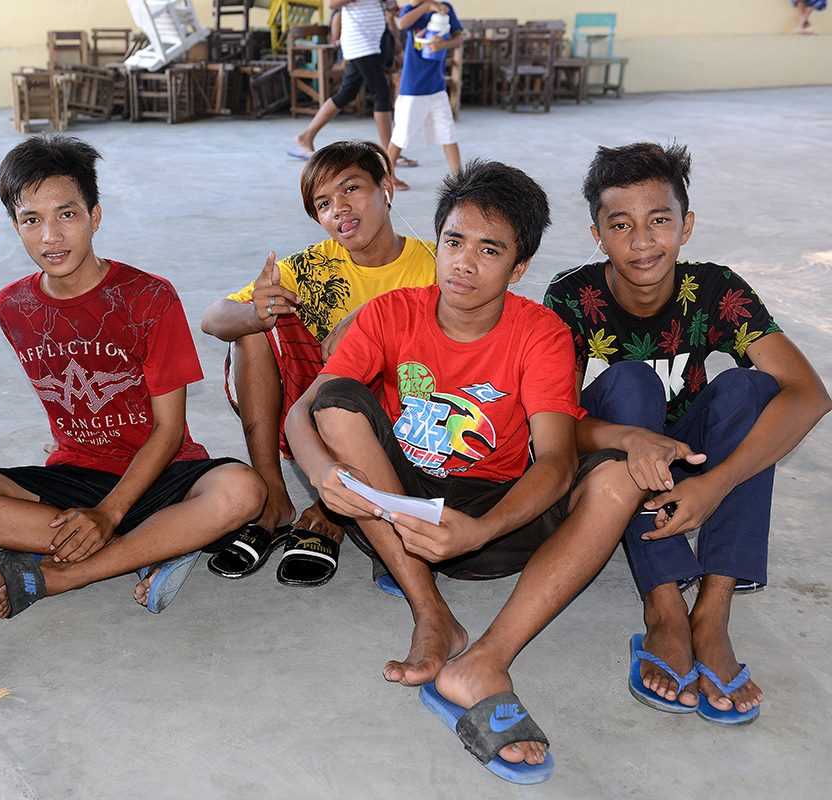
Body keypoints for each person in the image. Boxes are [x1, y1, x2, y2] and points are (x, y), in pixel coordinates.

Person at [284, 160, 644, 784]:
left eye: (489, 250)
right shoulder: (391, 313)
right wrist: (322, 476)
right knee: (336, 404)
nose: (463, 264)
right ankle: (431, 611)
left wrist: (482, 529)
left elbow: (556, 461)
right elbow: (301, 412)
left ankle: (486, 660)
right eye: (453, 242)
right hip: (400, 516)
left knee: (619, 477)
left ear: (519, 267)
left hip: (496, 519)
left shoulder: (541, 333)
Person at [543, 142, 831, 725]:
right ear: (597, 235)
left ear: (686, 225)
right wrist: (631, 439)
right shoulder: (572, 296)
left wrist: (715, 484)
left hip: (691, 457)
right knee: (633, 380)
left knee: (750, 390)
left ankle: (713, 609)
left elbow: (810, 394)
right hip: (612, 453)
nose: (642, 241)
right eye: (620, 225)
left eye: (659, 220)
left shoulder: (716, 290)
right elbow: (556, 426)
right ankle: (665, 605)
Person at [0, 134, 265, 619]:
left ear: (95, 216)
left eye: (66, 214)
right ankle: (154, 545)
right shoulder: (12, 305)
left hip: (161, 470)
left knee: (241, 491)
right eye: (31, 220)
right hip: (77, 473)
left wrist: (109, 513)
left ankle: (68, 572)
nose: (50, 236)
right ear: (15, 226)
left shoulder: (149, 297)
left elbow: (169, 429)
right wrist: (97, 507)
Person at [200, 140, 436, 588]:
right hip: (314, 409)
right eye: (323, 203)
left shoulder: (436, 262)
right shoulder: (313, 266)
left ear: (386, 188)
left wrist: (368, 320)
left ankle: (334, 507)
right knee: (253, 329)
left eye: (351, 189)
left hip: (404, 414)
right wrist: (255, 313)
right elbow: (212, 318)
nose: (339, 208)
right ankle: (274, 497)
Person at [291, 0, 397, 160]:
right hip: (361, 44)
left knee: (346, 93)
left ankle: (306, 136)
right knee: (382, 93)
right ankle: (390, 153)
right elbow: (333, 3)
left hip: (371, 42)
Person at [388, 2, 465, 185]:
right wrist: (427, 7)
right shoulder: (410, 10)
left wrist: (444, 44)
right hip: (413, 87)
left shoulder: (445, 8)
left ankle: (460, 181)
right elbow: (402, 24)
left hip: (436, 86)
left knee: (448, 131)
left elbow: (459, 37)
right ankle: (387, 175)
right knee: (402, 133)